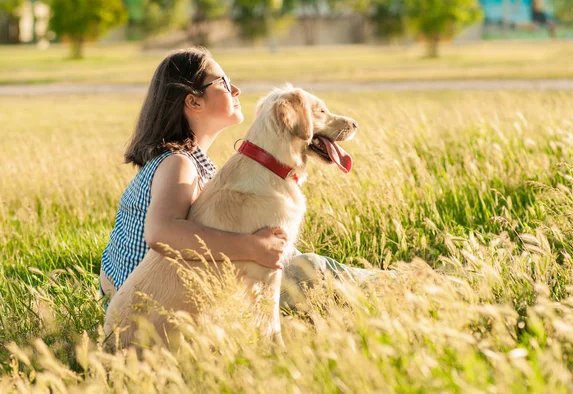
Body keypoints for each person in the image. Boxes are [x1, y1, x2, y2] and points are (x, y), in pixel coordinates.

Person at [99, 47, 380, 312]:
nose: (236, 90)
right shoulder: (178, 164)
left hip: (149, 297)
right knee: (308, 268)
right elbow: (162, 233)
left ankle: (384, 282)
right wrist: (253, 247)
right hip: (155, 302)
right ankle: (391, 285)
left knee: (296, 261)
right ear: (193, 100)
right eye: (223, 82)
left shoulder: (190, 163)